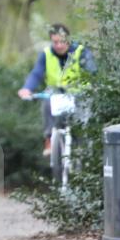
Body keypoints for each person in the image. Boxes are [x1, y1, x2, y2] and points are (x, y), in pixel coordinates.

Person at [17, 23, 97, 155]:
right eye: (55, 42)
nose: (59, 45)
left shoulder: (81, 52)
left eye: (62, 41)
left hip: (78, 93)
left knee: (82, 118)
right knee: (47, 101)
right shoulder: (46, 54)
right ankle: (49, 139)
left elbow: (91, 70)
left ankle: (83, 145)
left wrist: (92, 85)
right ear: (51, 40)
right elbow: (37, 73)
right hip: (56, 92)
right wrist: (27, 89)